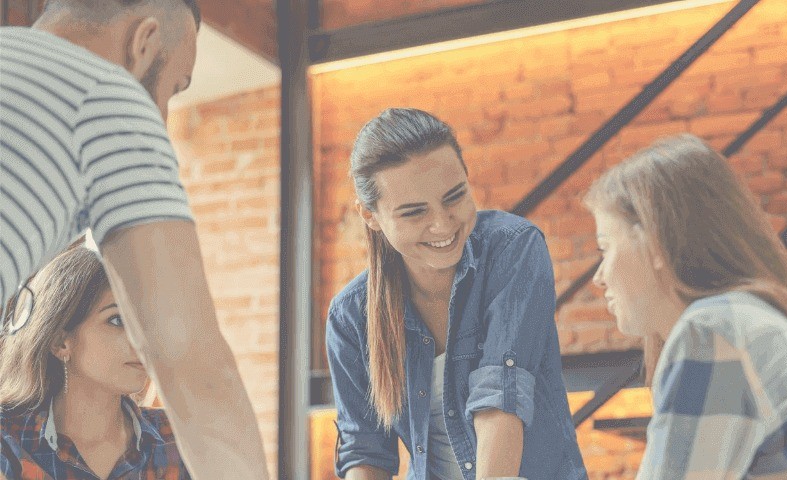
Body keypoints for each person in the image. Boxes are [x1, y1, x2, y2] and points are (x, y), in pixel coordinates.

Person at [0, 1, 267, 477]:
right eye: (171, 90)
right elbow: (192, 364)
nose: (160, 118)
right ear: (142, 42)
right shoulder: (105, 95)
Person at [585, 134, 787, 479]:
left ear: (655, 242)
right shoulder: (747, 319)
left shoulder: (715, 331)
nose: (599, 277)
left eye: (605, 247)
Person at [326, 108, 586, 480]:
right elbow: (365, 450)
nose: (442, 223)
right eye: (414, 213)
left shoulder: (513, 249)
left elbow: (501, 398)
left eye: (454, 196)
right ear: (370, 216)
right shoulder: (351, 316)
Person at [0, 246, 191, 479]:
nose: (142, 340)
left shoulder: (178, 439)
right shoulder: (7, 440)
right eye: (117, 319)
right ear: (61, 342)